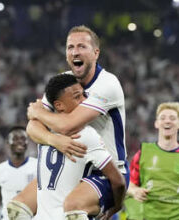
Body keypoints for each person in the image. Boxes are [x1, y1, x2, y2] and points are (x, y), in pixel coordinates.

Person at [7, 25, 129, 218]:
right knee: (17, 208)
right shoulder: (63, 82)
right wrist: (54, 139)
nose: (75, 52)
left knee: (73, 207)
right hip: (71, 165)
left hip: (106, 171)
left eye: (81, 46)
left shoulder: (108, 84)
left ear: (96, 53)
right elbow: (32, 127)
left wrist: (39, 112)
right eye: (70, 47)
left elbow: (68, 125)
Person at [32, 74, 125, 220]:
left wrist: (38, 113)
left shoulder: (42, 131)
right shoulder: (85, 135)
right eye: (77, 97)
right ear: (59, 105)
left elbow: (31, 127)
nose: (84, 100)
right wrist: (115, 207)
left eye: (84, 95)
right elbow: (118, 182)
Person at [126, 102, 179, 220]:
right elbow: (130, 184)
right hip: (150, 215)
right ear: (156, 123)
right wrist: (135, 192)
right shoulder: (143, 153)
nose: (167, 121)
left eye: (172, 118)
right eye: (163, 118)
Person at [0, 126, 37, 220]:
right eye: (15, 138)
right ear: (7, 143)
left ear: (27, 142)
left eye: (23, 138)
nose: (20, 141)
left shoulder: (37, 166)